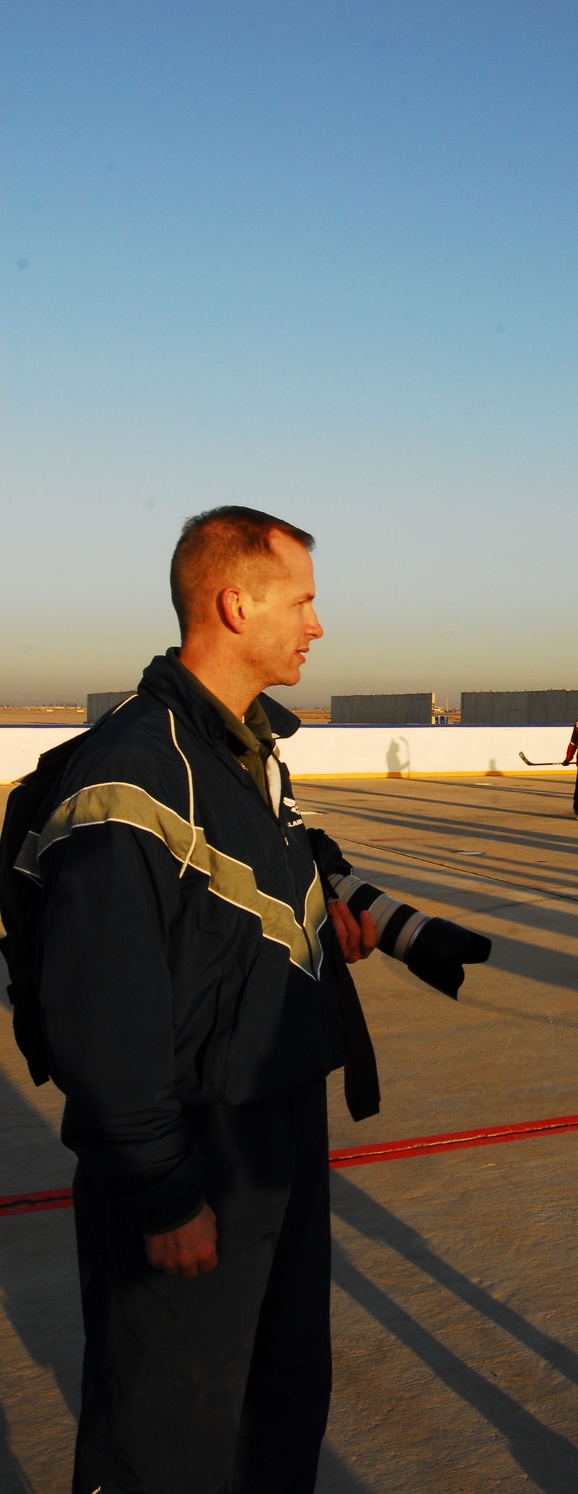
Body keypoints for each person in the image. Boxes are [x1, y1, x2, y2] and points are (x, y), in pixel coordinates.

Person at [25, 506, 488, 1494]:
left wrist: (385, 930)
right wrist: (162, 1190)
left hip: (277, 1126)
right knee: (170, 1428)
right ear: (235, 603)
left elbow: (266, 897)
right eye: (304, 601)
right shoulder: (137, 770)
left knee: (277, 1402)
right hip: (196, 1146)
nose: (317, 625)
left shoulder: (245, 753)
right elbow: (104, 1015)